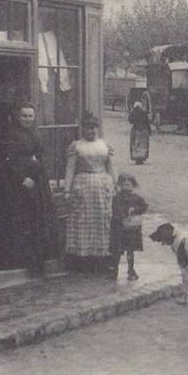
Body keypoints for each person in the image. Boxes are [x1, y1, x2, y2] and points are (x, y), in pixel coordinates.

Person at [0, 102, 59, 276]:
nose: (27, 119)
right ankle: (24, 261)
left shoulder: (34, 132)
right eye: (24, 116)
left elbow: (39, 155)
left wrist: (37, 173)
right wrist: (23, 177)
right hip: (20, 184)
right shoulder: (12, 134)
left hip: (37, 181)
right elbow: (9, 160)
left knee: (39, 218)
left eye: (30, 116)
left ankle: (40, 262)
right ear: (18, 116)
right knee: (24, 220)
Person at [65, 112, 117, 274]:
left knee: (102, 221)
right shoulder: (77, 146)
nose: (91, 131)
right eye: (87, 128)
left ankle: (100, 259)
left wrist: (116, 185)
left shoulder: (104, 145)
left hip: (102, 187)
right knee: (83, 222)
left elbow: (111, 167)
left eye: (93, 128)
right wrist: (67, 190)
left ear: (98, 129)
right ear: (83, 129)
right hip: (83, 187)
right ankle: (83, 260)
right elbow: (70, 168)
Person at [111, 173, 148, 281]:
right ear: (120, 185)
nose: (126, 187)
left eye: (129, 184)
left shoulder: (137, 198)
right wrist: (122, 216)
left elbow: (144, 207)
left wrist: (135, 210)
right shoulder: (117, 198)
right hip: (119, 228)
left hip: (132, 229)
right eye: (123, 184)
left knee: (130, 250)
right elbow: (115, 209)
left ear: (133, 185)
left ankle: (131, 269)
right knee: (117, 250)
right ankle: (115, 269)